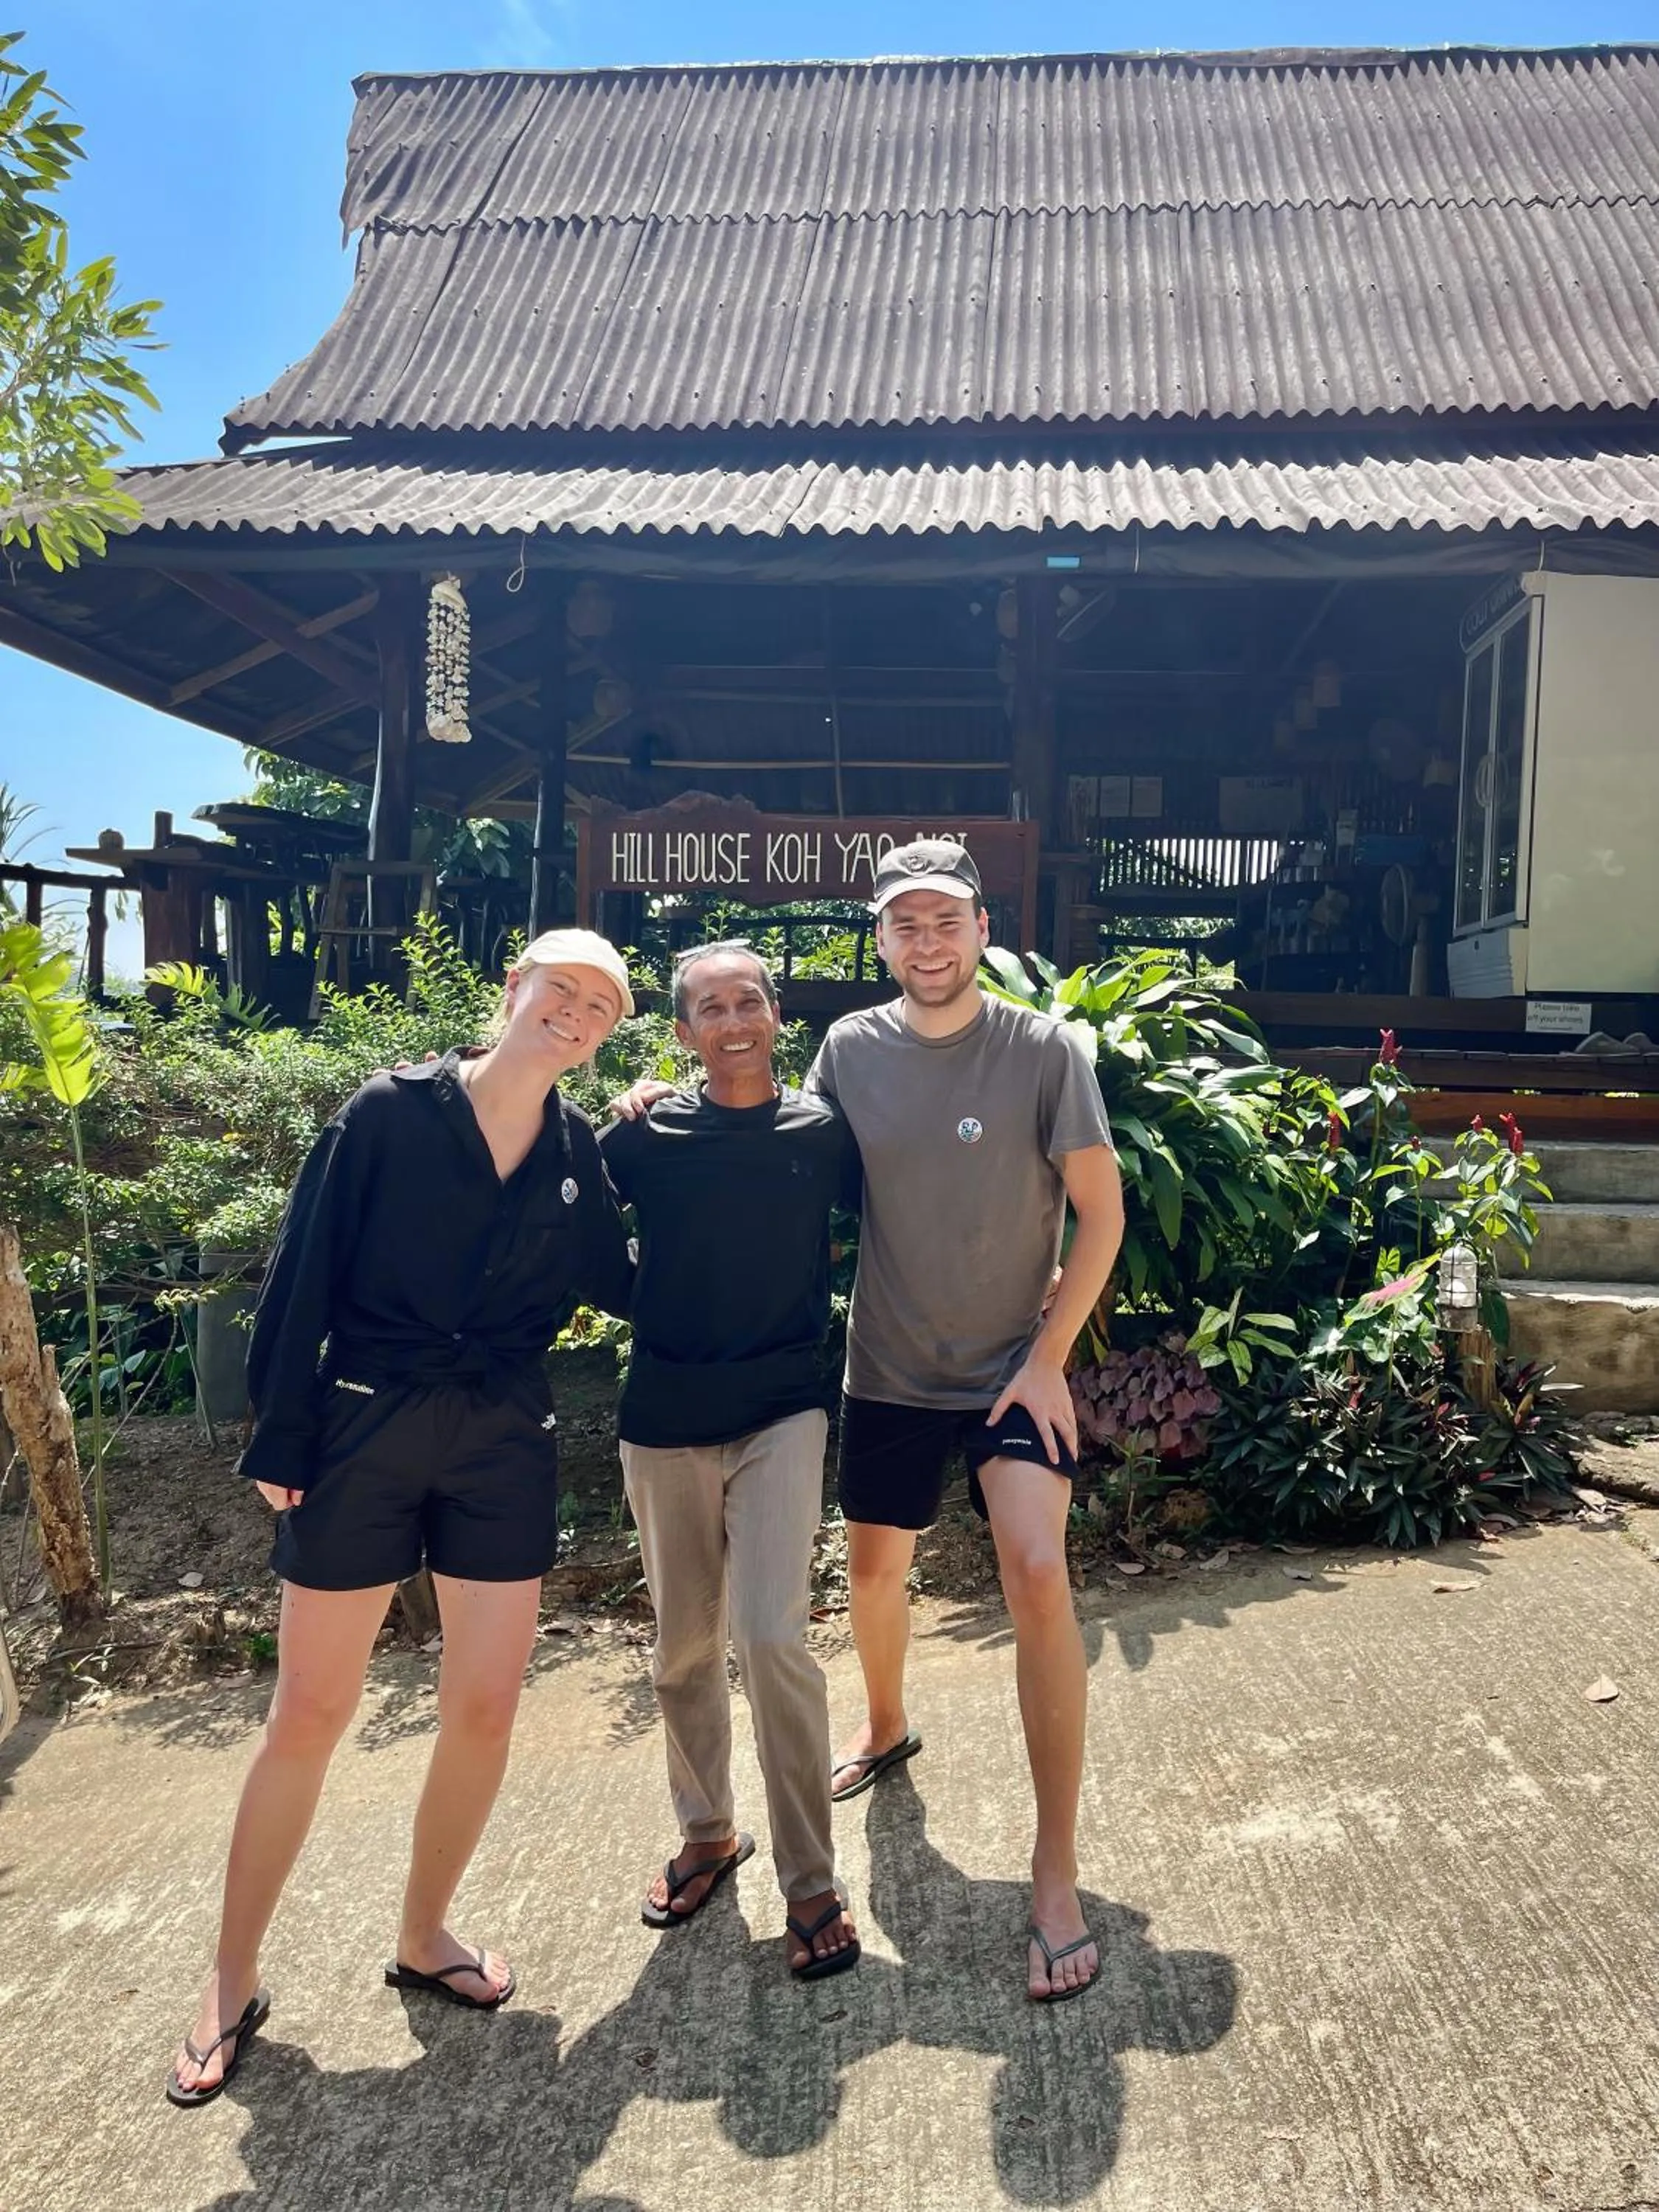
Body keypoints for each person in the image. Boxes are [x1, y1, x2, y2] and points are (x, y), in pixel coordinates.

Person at [167, 930, 636, 2107]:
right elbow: (303, 1265)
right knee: (309, 1713)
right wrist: (278, 1431)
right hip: (363, 1428)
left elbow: (623, 1281)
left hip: (500, 1440)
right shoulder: (386, 1112)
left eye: (601, 1008)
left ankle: (425, 1935)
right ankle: (229, 1978)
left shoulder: (579, 1147)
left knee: (482, 1707)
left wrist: (675, 1140)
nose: (575, 1016)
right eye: (560, 991)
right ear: (512, 989)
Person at [807, 839, 1124, 2005]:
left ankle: (1054, 1872)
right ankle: (886, 1723)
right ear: (881, 940)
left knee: (1037, 1572)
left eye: (945, 922)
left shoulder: (1043, 1049)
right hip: (888, 1365)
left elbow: (1100, 1212)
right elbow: (790, 1165)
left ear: (981, 929)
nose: (926, 945)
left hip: (1009, 1373)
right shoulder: (847, 1049)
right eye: (904, 926)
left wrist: (1048, 1358)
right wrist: (663, 1108)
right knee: (874, 1575)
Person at [599, 942, 860, 1980]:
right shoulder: (646, 1134)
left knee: (770, 1635)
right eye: (709, 1007)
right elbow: (555, 1208)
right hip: (664, 1410)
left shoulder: (819, 1129)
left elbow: (898, 1219)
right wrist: (636, 1300)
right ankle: (706, 1831)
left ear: (775, 1014)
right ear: (681, 1032)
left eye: (748, 1000)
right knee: (681, 1645)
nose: (732, 1019)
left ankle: (811, 1881)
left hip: (782, 1407)